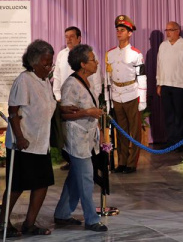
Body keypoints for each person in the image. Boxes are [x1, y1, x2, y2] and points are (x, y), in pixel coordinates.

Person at [0, 40, 56, 237]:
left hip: (40, 142)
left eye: (50, 63)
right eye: (46, 64)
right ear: (33, 63)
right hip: (23, 143)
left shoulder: (45, 81)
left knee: (42, 183)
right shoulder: (24, 80)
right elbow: (13, 111)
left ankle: (29, 223)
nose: (49, 68)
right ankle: (2, 222)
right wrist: (19, 137)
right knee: (17, 185)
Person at [54, 44, 108, 231]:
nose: (96, 62)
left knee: (75, 178)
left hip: (87, 138)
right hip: (76, 138)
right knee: (85, 178)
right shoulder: (71, 84)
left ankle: (62, 214)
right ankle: (92, 219)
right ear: (83, 64)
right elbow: (65, 114)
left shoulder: (87, 82)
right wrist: (88, 112)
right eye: (93, 60)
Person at [52, 26, 102, 171]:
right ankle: (74, 160)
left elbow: (96, 82)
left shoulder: (88, 55)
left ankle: (86, 160)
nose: (68, 39)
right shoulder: (62, 55)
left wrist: (92, 101)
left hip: (86, 100)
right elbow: (57, 76)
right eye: (66, 36)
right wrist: (57, 96)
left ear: (79, 38)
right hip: (67, 101)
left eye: (72, 36)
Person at [105, 15, 146, 173]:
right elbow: (107, 80)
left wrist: (142, 100)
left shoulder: (136, 54)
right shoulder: (110, 54)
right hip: (116, 95)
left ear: (130, 33)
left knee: (134, 132)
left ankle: (131, 163)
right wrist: (108, 101)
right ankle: (121, 161)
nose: (119, 33)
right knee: (120, 131)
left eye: (122, 30)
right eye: (118, 30)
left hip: (131, 94)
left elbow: (142, 78)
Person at [156, 21, 183, 150]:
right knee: (168, 115)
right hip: (165, 85)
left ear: (177, 31)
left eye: (170, 30)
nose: (167, 32)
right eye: (166, 30)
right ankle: (170, 141)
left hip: (180, 85)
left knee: (179, 115)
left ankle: (179, 142)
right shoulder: (163, 46)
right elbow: (159, 66)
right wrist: (159, 83)